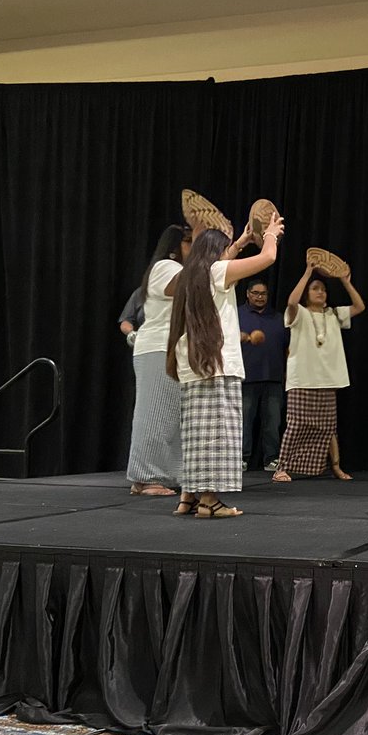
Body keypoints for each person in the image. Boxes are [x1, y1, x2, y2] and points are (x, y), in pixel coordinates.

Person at [167, 216, 283, 518]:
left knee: (195, 434)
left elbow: (223, 261)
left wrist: (242, 242)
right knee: (217, 435)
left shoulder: (191, 275)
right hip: (217, 365)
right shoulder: (217, 271)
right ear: (216, 253)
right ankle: (209, 501)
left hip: (193, 364)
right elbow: (267, 258)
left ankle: (188, 497)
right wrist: (270, 235)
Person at [272, 265, 365, 483]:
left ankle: (336, 467)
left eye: (323, 289)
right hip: (302, 378)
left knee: (328, 427)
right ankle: (282, 467)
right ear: (307, 294)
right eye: (315, 288)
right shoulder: (300, 313)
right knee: (296, 424)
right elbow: (291, 302)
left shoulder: (334, 314)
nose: (320, 292)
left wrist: (345, 281)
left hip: (328, 379)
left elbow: (359, 306)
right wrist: (307, 273)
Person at [126, 224, 191, 495]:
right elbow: (183, 285)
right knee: (155, 414)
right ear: (174, 247)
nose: (193, 248)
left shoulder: (175, 269)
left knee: (170, 416)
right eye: (189, 242)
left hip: (169, 348)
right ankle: (147, 477)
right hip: (157, 347)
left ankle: (160, 475)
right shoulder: (165, 266)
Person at [237, 277, 289, 473]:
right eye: (256, 293)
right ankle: (241, 458)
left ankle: (271, 458)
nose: (260, 297)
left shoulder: (278, 318)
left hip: (273, 377)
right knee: (244, 421)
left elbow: (287, 347)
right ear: (247, 294)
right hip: (246, 377)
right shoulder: (237, 315)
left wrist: (286, 372)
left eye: (263, 294)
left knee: (273, 422)